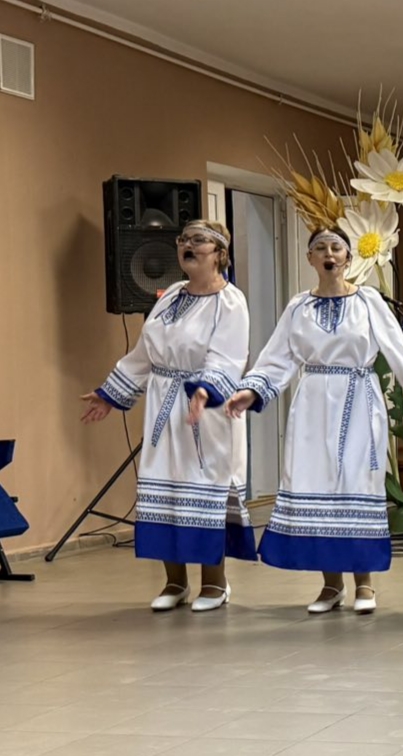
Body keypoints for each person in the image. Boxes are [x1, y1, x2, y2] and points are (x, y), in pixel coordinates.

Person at [225, 228, 403, 614]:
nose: (329, 253)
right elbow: (278, 357)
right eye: (320, 248)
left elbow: (398, 351)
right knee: (318, 487)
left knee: (358, 485)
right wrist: (251, 391)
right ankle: (331, 586)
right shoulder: (299, 307)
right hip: (313, 405)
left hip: (359, 402)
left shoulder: (368, 301)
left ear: (348, 257)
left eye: (336, 247)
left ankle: (365, 585)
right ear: (310, 258)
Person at [81, 220, 253, 611]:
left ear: (219, 253)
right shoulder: (171, 295)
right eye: (183, 240)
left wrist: (205, 390)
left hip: (206, 409)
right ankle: (175, 583)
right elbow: (144, 352)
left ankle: (215, 584)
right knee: (165, 489)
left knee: (205, 489)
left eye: (199, 240)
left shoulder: (230, 301)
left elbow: (229, 356)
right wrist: (111, 394)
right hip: (164, 402)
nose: (188, 246)